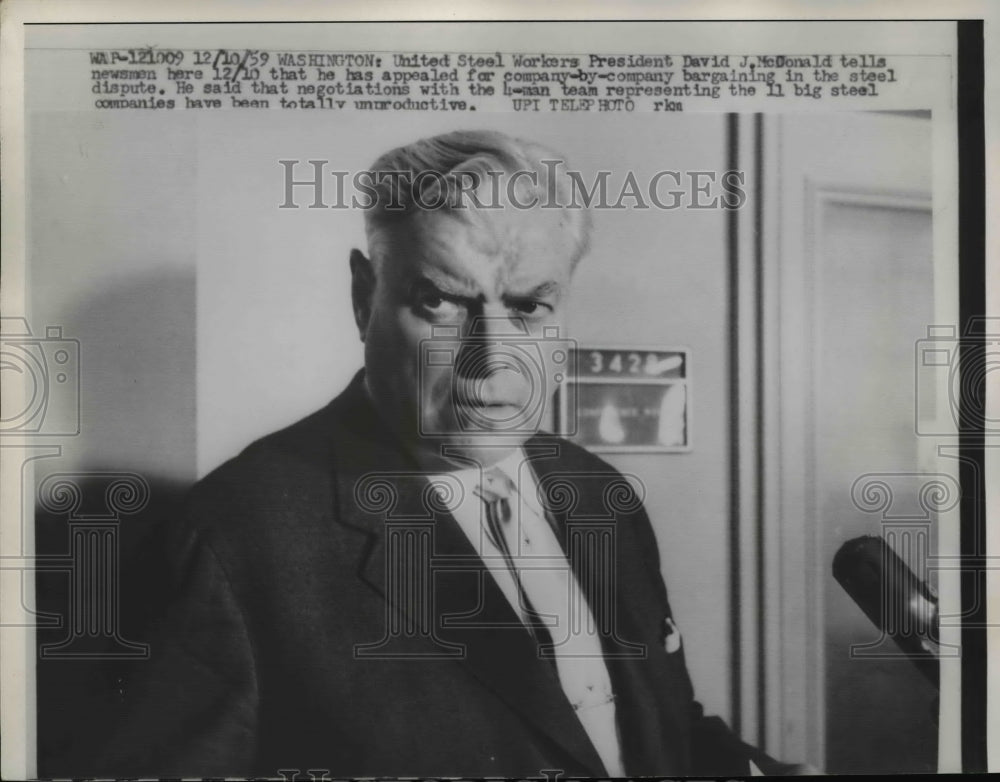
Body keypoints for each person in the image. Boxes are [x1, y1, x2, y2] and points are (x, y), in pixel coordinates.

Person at [100, 130, 800, 777]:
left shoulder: (598, 493)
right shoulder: (234, 538)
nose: (492, 365)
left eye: (529, 309)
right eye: (440, 302)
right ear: (363, 297)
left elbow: (655, 727)